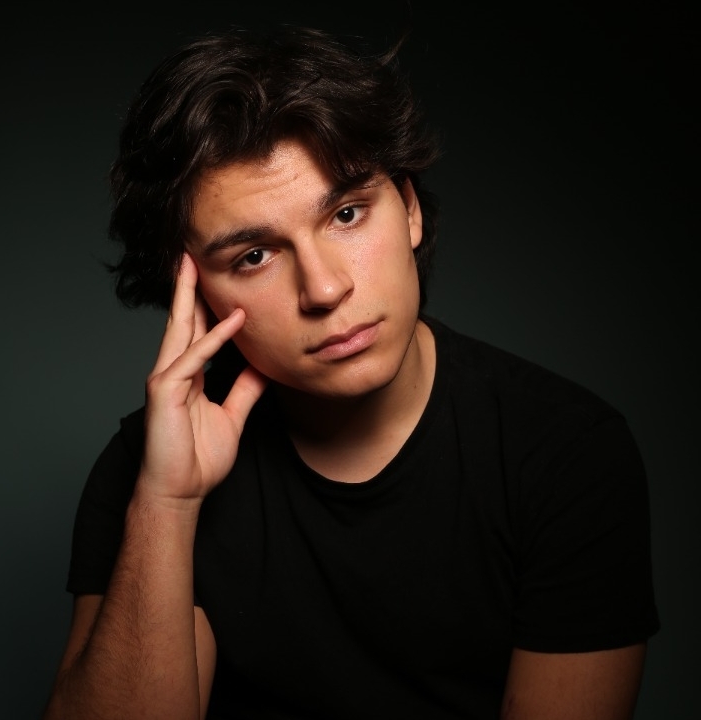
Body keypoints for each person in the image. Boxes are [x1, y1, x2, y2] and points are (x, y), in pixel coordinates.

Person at [43, 24, 659, 720]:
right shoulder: (150, 467)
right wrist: (166, 504)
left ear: (410, 209)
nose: (326, 288)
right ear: (195, 293)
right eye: (254, 256)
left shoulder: (565, 453)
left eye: (347, 213)